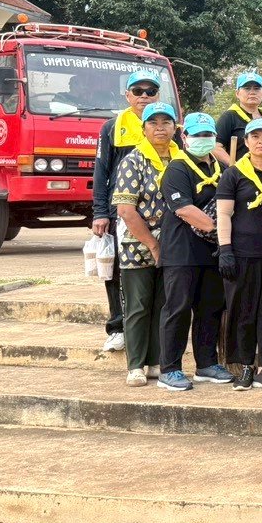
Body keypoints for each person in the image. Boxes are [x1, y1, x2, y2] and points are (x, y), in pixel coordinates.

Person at [215, 117, 262, 393]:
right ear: (246, 142)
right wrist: (225, 249)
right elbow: (224, 214)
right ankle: (245, 366)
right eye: (256, 137)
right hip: (241, 253)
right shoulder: (233, 174)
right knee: (242, 311)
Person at [155, 111, 230, 391]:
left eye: (208, 134)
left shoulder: (221, 168)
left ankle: (206, 363)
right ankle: (170, 369)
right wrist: (221, 231)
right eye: (197, 134)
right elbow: (184, 209)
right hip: (181, 251)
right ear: (184, 137)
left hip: (211, 252)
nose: (203, 139)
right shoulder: (177, 168)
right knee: (178, 309)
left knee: (210, 308)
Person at [92, 68, 164, 354]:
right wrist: (100, 212)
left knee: (156, 270)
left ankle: (154, 330)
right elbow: (102, 171)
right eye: (138, 91)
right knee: (116, 272)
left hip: (159, 212)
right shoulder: (112, 127)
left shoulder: (167, 125)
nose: (144, 96)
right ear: (127, 95)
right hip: (121, 211)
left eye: (150, 91)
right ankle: (117, 327)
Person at [112, 101, 180, 386]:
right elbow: (126, 210)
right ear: (143, 129)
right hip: (138, 245)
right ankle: (136, 365)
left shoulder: (181, 159)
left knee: (164, 304)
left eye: (166, 122)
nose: (160, 128)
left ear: (175, 128)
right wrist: (153, 244)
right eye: (153, 123)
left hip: (175, 244)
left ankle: (156, 361)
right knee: (138, 305)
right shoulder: (133, 161)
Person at [214, 71, 262, 165]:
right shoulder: (229, 117)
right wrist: (235, 167)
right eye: (247, 88)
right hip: (239, 172)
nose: (252, 92)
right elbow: (216, 147)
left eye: (256, 88)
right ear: (237, 93)